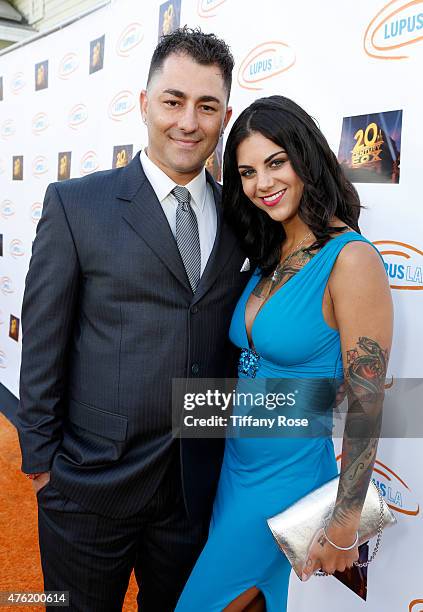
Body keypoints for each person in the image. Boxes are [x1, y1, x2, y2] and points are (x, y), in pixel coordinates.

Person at [17, 28, 250, 612]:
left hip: (194, 488)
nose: (188, 122)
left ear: (226, 115)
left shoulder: (245, 215)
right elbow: (42, 343)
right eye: (173, 101)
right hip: (88, 488)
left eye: (207, 105)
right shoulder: (77, 205)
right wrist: (45, 468)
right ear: (144, 103)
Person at [175, 96, 393, 611]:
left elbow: (367, 400)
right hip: (234, 469)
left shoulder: (352, 260)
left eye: (276, 162)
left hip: (287, 479)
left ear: (306, 157)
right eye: (247, 172)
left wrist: (344, 520)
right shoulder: (270, 251)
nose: (262, 183)